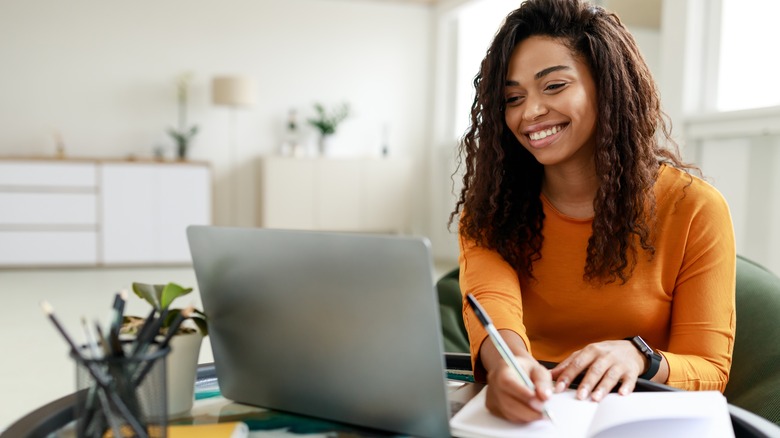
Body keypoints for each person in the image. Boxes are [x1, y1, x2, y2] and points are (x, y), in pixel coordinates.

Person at [450, 0, 736, 424]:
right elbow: (494, 304)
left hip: (639, 418)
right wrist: (509, 365)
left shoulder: (694, 208)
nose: (530, 112)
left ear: (607, 84)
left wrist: (640, 357)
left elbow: (710, 369)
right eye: (513, 98)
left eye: (554, 86)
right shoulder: (492, 208)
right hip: (532, 415)